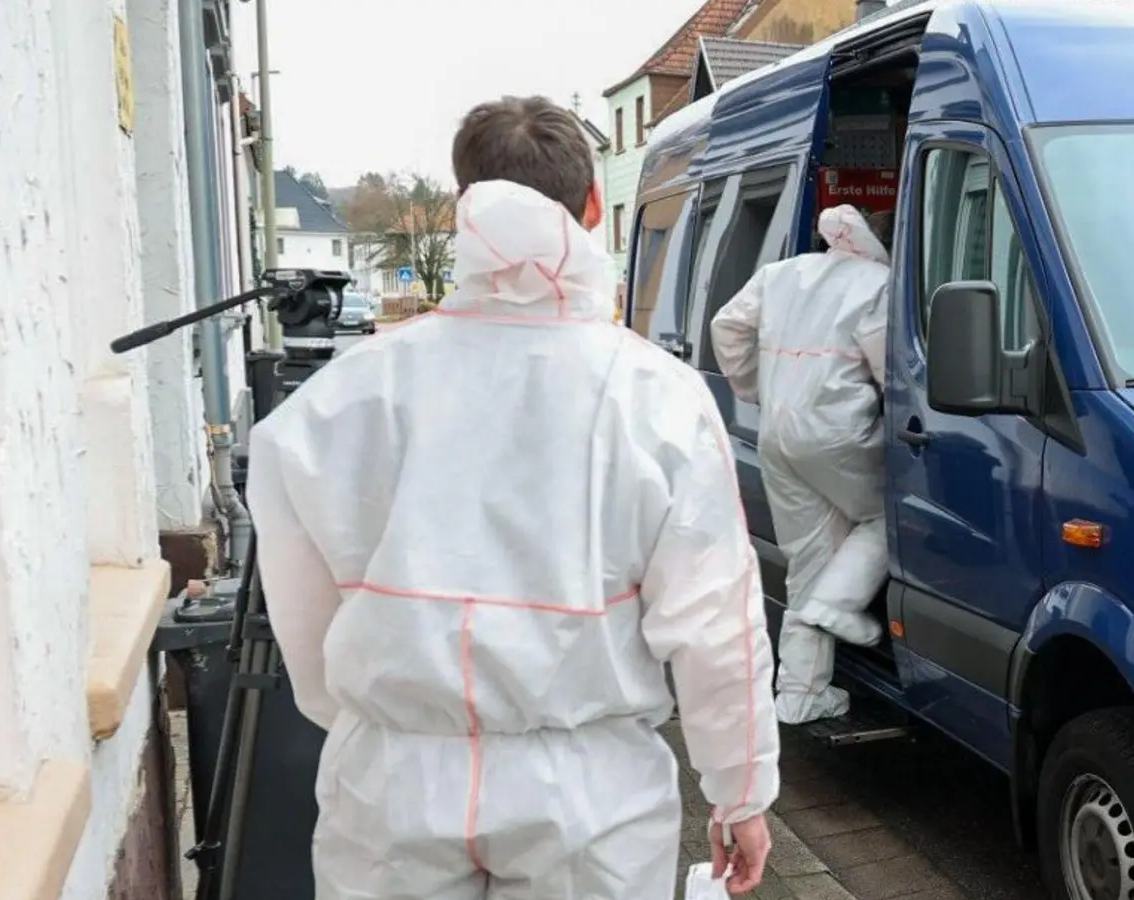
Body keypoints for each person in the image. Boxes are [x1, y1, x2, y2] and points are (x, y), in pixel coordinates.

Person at [246, 95, 778, 900]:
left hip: (391, 783)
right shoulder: (655, 396)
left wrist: (377, 717)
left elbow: (301, 608)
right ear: (594, 208)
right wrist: (740, 791)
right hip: (587, 794)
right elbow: (715, 621)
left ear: (465, 212)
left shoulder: (344, 396)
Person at [709, 204, 892, 725]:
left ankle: (800, 694)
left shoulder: (783, 272)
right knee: (890, 515)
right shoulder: (877, 282)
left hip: (777, 433)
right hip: (838, 431)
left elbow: (727, 326)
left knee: (809, 558)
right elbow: (891, 372)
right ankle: (838, 604)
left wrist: (754, 387)